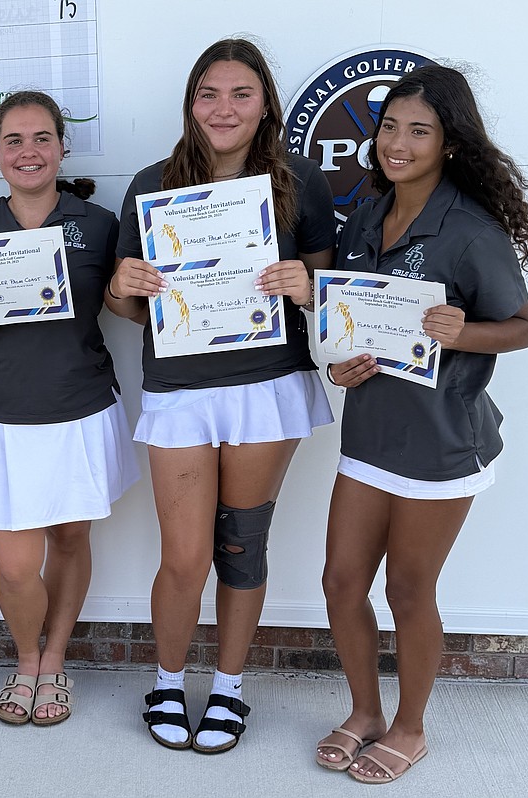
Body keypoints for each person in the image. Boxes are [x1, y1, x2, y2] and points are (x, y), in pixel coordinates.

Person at [316, 64, 528, 783]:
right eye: (390, 127)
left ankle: (411, 726)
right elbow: (345, 325)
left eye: (420, 131)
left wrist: (462, 331)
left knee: (409, 592)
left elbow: (523, 327)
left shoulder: (470, 230)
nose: (399, 143)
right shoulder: (364, 213)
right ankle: (365, 711)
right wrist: (337, 365)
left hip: (444, 442)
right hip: (371, 435)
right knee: (340, 583)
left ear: (449, 143)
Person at [108, 39, 335, 753]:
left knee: (240, 547)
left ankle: (231, 687)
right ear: (191, 102)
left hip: (267, 387)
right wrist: (124, 288)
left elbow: (327, 300)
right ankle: (170, 681)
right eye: (209, 93)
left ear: (265, 101)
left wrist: (306, 286)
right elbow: (124, 306)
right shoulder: (151, 183)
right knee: (184, 557)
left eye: (241, 93)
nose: (224, 108)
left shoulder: (299, 180)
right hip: (180, 388)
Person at [0, 90, 139, 726]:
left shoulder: (99, 224)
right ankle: (25, 657)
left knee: (72, 538)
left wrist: (133, 286)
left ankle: (54, 663)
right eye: (14, 140)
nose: (29, 151)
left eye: (41, 137)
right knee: (17, 566)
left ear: (61, 146)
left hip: (80, 408)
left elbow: (127, 312)